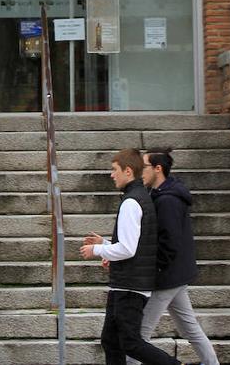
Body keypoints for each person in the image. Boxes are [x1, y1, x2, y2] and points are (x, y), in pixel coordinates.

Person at [80, 149, 189, 365]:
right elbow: (135, 246)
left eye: (114, 170)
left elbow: (128, 249)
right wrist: (106, 244)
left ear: (127, 171)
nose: (112, 175)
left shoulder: (131, 202)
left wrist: (98, 251)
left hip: (129, 286)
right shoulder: (139, 197)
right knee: (111, 341)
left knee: (130, 343)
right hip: (126, 283)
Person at [128, 148, 218, 365]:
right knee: (190, 328)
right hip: (176, 275)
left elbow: (169, 242)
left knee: (138, 336)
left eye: (144, 167)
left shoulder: (167, 200)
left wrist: (155, 269)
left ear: (158, 169)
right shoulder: (162, 194)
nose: (140, 172)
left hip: (166, 277)